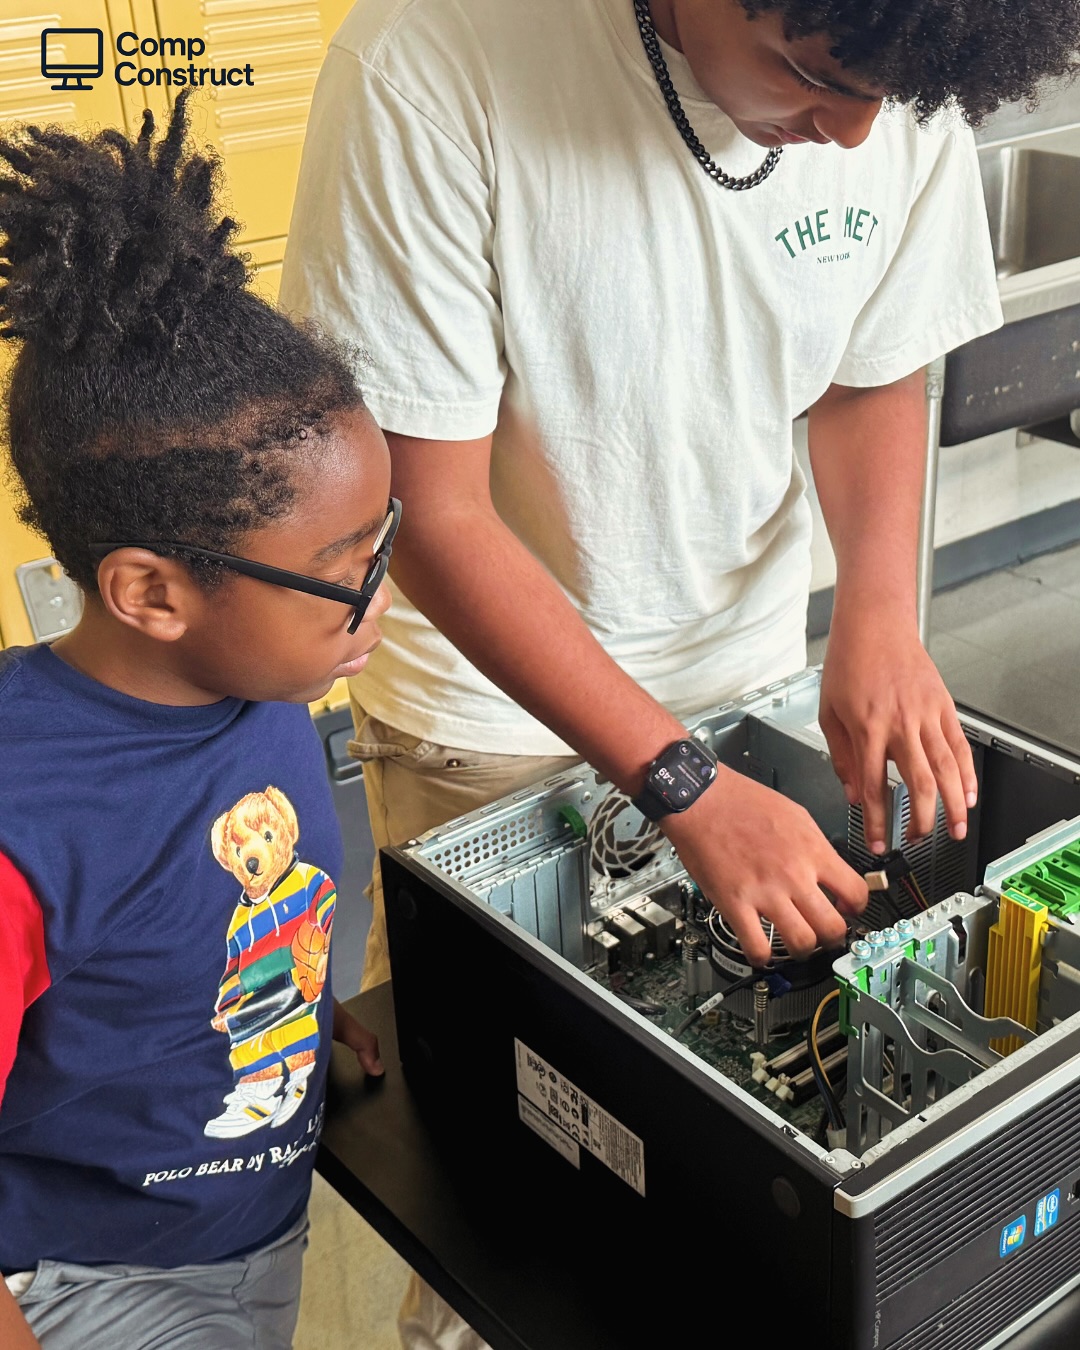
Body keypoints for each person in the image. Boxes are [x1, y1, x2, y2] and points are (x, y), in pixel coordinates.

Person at [279, 0, 1080, 1345]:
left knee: (709, 1221)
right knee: (505, 1193)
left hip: (746, 679)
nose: (856, 134)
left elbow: (870, 372)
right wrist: (680, 783)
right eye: (811, 78)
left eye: (887, 101)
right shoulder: (432, 65)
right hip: (493, 721)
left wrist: (880, 615)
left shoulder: (903, 58)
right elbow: (428, 509)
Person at [0, 89, 395, 1349]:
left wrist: (291, 1018)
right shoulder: (25, 821)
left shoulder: (266, 681)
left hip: (246, 1223)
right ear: (152, 593)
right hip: (94, 1284)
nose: (381, 599)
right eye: (343, 573)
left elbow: (203, 909)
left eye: (384, 542)